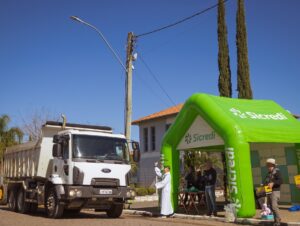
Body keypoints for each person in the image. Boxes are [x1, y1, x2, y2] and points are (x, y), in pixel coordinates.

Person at [264, 158, 282, 226]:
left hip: (275, 191)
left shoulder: (277, 172)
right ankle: (276, 221)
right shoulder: (268, 173)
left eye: (270, 165)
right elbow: (266, 182)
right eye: (267, 165)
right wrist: (264, 185)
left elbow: (281, 181)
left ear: (273, 165)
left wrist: (273, 183)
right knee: (271, 207)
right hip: (269, 191)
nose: (268, 167)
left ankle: (278, 220)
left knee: (274, 206)